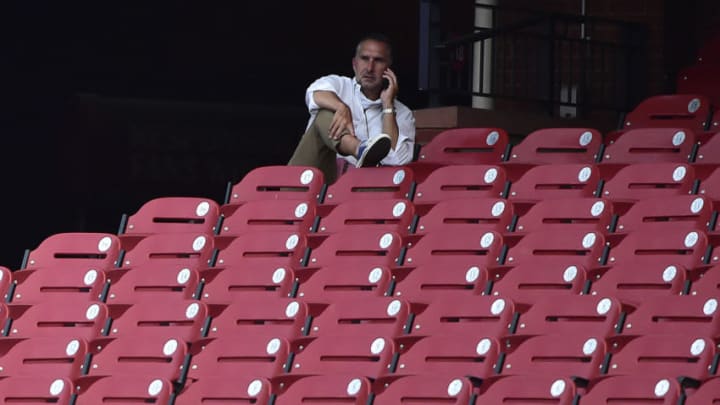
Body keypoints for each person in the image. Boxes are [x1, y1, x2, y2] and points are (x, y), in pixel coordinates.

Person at [288, 33, 416, 183]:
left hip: (364, 185)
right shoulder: (339, 85)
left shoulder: (403, 114)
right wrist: (341, 107)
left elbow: (396, 161)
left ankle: (359, 150)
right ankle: (358, 148)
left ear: (388, 68)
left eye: (378, 61)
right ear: (354, 64)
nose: (369, 68)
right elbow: (313, 95)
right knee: (324, 113)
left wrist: (388, 107)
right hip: (320, 177)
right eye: (364, 59)